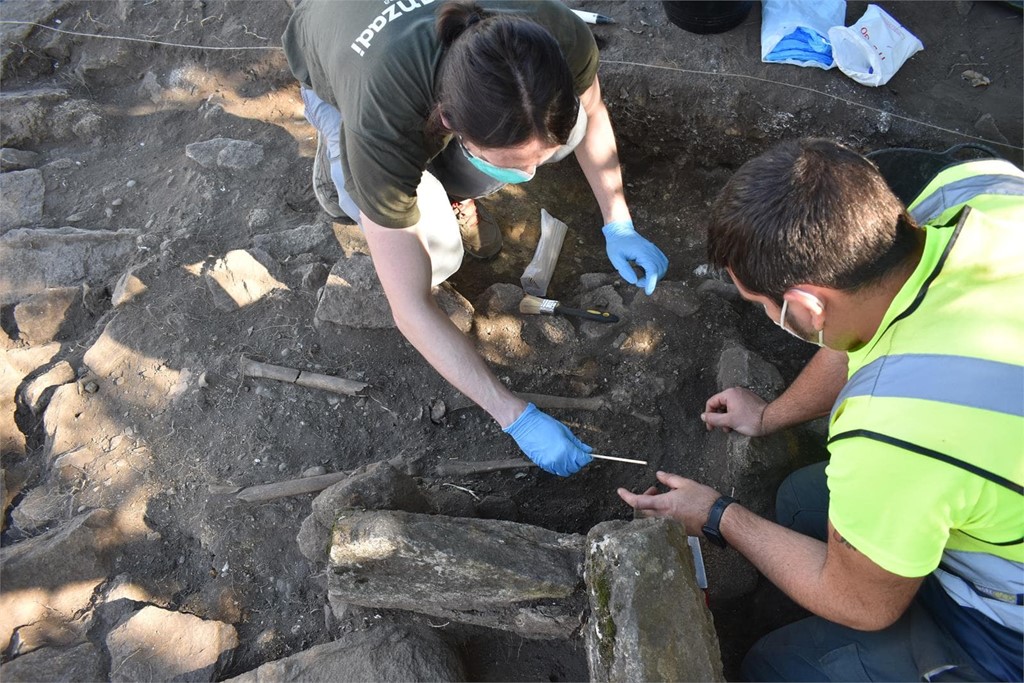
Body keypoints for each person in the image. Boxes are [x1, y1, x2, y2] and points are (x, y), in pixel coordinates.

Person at [618, 138, 1023, 681]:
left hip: (1003, 621)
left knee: (775, 666)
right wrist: (768, 416)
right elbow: (863, 327)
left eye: (762, 304)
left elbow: (865, 606)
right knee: (799, 502)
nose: (763, 312)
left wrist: (718, 516)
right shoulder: (976, 193)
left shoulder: (893, 430)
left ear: (807, 305)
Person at [282, 0, 668, 477]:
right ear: (447, 121)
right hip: (340, 67)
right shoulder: (382, 121)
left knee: (570, 135)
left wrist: (619, 221)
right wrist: (515, 417)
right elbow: (410, 307)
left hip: (428, 90)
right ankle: (344, 170)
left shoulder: (553, 37)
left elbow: (591, 107)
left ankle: (446, 185)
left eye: (532, 159)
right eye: (513, 161)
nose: (529, 175)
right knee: (437, 258)